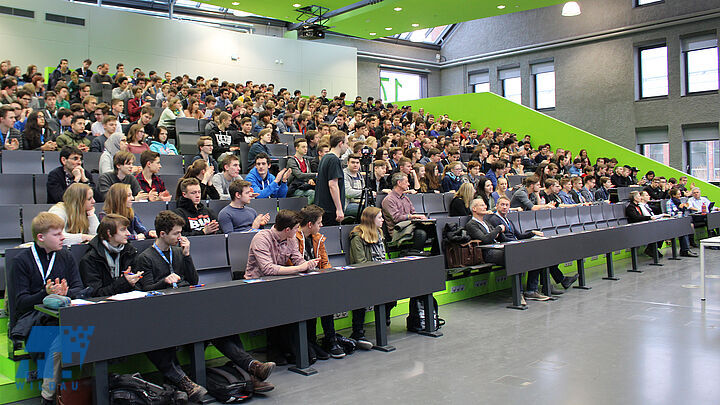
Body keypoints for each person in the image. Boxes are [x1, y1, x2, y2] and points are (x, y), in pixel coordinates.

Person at [136, 210, 274, 399]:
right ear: (162, 234)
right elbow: (146, 291)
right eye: (176, 233)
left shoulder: (178, 252)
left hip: (186, 305)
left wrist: (186, 256)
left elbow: (193, 280)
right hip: (162, 311)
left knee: (221, 323)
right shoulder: (145, 257)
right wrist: (165, 282)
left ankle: (252, 367)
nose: (180, 237)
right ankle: (188, 382)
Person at [11, 212, 85, 404]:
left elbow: (79, 289)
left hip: (64, 316)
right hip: (34, 322)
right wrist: (46, 294)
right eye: (57, 234)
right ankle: (49, 397)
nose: (63, 237)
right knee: (65, 339)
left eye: (62, 233)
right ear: (41, 237)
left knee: (75, 332)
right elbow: (20, 303)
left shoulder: (66, 256)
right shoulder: (22, 261)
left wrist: (66, 294)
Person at [293, 205, 345, 358]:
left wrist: (326, 275)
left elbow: (325, 262)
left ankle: (330, 339)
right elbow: (292, 263)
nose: (322, 225)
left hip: (316, 280)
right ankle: (311, 342)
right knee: (314, 301)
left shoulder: (318, 239)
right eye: (319, 222)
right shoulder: (293, 238)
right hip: (299, 282)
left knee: (326, 300)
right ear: (310, 224)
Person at [347, 206, 395, 350]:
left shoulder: (379, 233)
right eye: (379, 217)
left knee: (395, 290)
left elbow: (383, 256)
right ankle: (358, 331)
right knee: (361, 295)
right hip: (362, 276)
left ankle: (384, 316)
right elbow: (360, 262)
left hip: (380, 273)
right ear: (370, 220)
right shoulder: (357, 237)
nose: (382, 220)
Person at [78, 213, 141, 297]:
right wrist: (124, 282)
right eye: (123, 230)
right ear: (109, 233)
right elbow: (95, 294)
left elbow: (139, 286)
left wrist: (132, 283)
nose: (128, 233)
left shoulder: (130, 252)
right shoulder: (91, 259)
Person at [381, 172, 429, 252]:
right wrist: (414, 216)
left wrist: (418, 217)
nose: (409, 184)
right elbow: (396, 218)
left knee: (433, 229)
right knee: (421, 234)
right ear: (399, 183)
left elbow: (413, 213)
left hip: (411, 227)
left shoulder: (405, 198)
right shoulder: (389, 200)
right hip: (398, 230)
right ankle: (414, 254)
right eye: (406, 182)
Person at [316, 132, 348, 226]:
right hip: (330, 209)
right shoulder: (334, 160)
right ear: (340, 143)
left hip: (323, 207)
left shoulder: (325, 157)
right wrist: (339, 209)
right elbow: (333, 185)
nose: (347, 147)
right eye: (346, 143)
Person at [665, 188, 698, 257]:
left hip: (680, 221)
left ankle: (686, 249)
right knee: (683, 229)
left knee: (687, 227)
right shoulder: (669, 203)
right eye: (678, 194)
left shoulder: (679, 202)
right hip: (673, 222)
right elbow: (670, 214)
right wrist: (678, 212)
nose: (680, 195)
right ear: (674, 195)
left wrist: (683, 207)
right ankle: (685, 250)